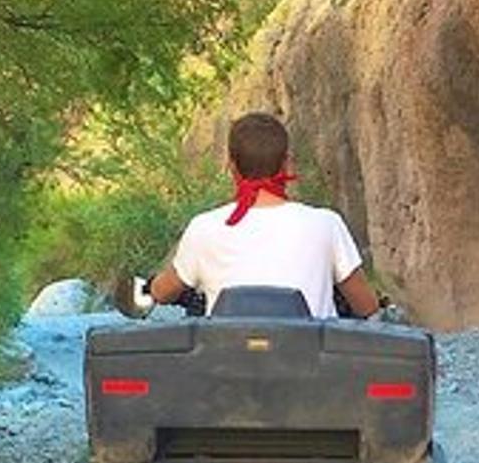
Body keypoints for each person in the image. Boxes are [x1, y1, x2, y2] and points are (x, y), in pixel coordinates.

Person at [146, 112, 382, 320]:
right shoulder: (327, 223)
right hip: (309, 365)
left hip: (224, 363)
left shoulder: (203, 227)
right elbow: (367, 306)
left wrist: (153, 285)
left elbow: (163, 292)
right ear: (287, 164)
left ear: (232, 167)